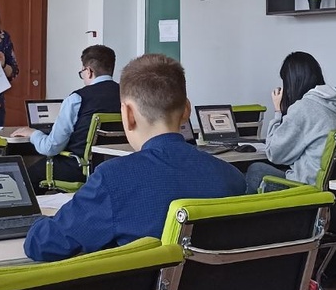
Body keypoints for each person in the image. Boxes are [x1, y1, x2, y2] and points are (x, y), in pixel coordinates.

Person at [24, 53, 245, 262]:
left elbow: (42, 244)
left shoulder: (113, 179)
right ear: (186, 110)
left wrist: (40, 222)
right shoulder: (232, 178)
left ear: (128, 114)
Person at [242, 52, 336, 193]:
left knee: (256, 171)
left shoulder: (304, 108)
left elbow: (274, 153)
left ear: (291, 82)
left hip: (309, 190)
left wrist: (278, 111)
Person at [16, 44, 120, 187]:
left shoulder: (77, 98)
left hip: (79, 169)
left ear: (89, 71)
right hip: (116, 168)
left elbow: (51, 148)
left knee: (24, 178)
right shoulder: (128, 95)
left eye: (82, 72)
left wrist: (33, 133)